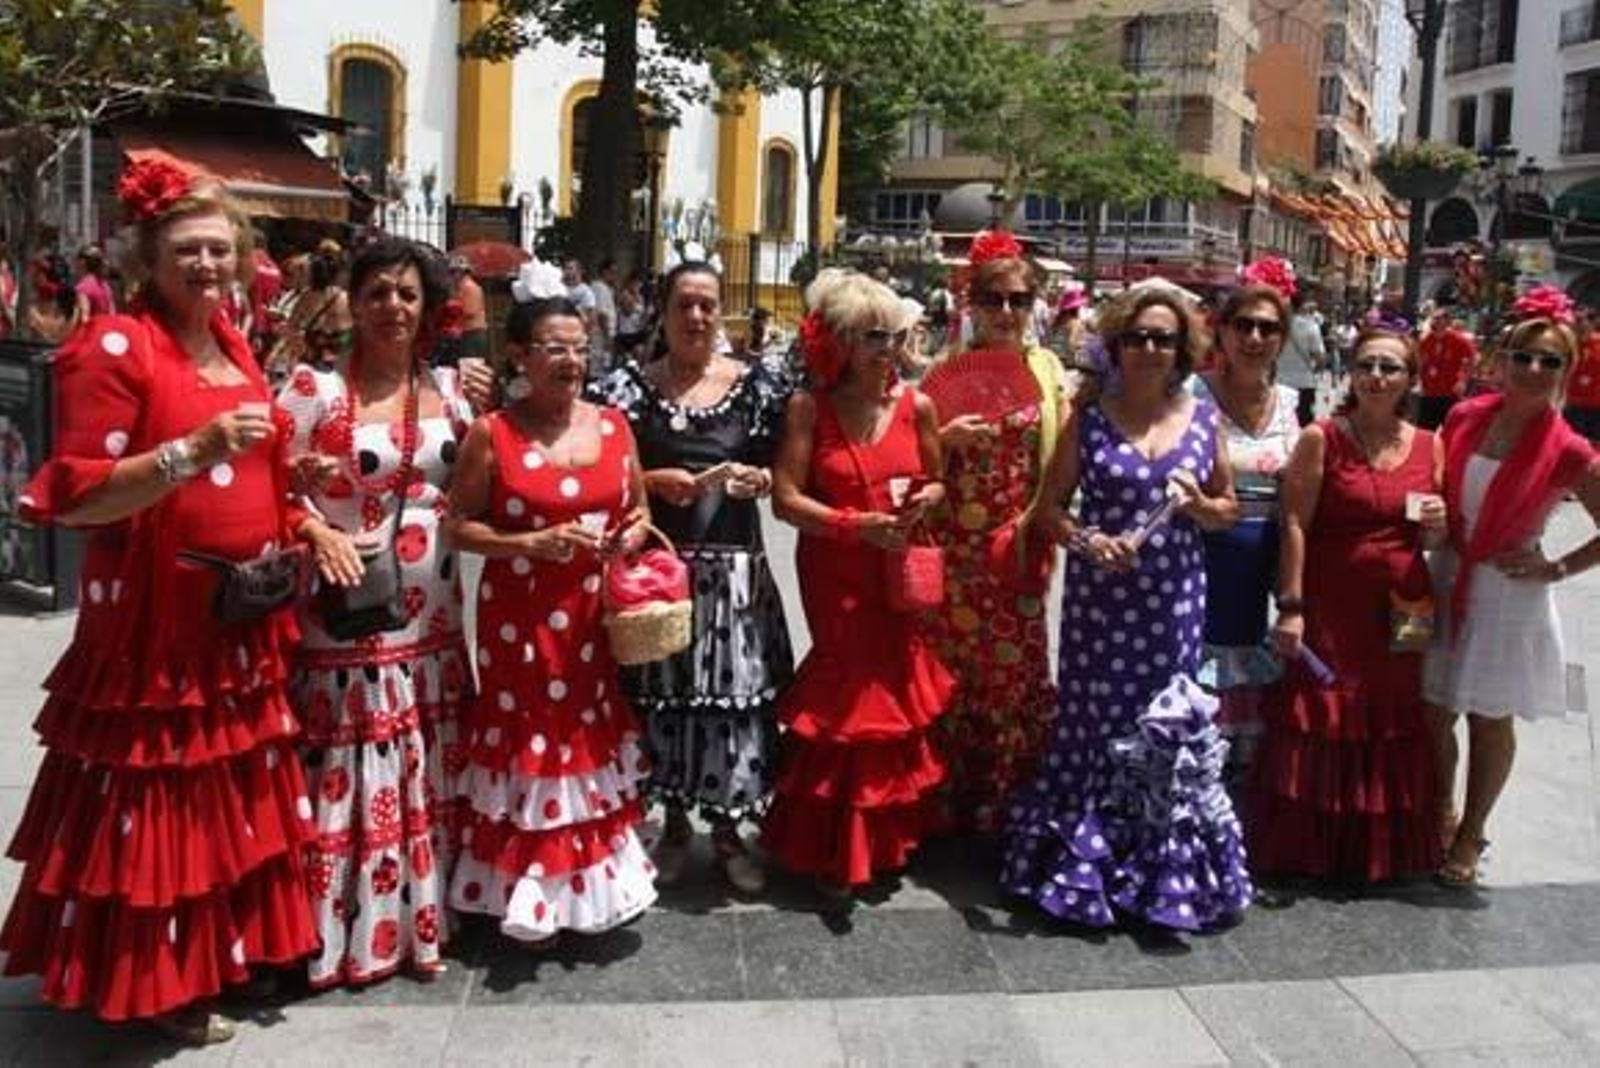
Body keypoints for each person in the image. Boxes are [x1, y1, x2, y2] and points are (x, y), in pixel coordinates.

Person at [1, 159, 317, 1043]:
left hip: (237, 622)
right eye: (188, 250)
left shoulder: (236, 344)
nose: (208, 264)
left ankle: (219, 958)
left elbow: (259, 470)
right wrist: (192, 450)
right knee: (159, 807)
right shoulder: (116, 347)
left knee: (221, 803)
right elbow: (80, 498)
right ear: (147, 257)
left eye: (220, 248)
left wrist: (300, 514)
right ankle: (154, 984)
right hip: (155, 631)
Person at [1005, 288, 1251, 933]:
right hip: (1100, 608)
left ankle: (1160, 874)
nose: (1149, 349)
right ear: (1115, 346)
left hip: (1173, 604)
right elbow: (1048, 511)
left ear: (1182, 351)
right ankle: (1087, 863)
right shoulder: (1088, 420)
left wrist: (1200, 507)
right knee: (1094, 723)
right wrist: (1089, 541)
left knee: (1160, 725)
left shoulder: (1203, 420)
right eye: (1137, 337)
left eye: (1163, 339)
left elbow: (1229, 509)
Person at [277, 238, 473, 988]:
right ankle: (345, 931)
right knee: (354, 763)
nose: (393, 306)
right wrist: (313, 526)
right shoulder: (316, 390)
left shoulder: (451, 388)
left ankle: (427, 915)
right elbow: (268, 484)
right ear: (353, 304)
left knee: (426, 757)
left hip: (435, 621)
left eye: (407, 294)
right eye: (378, 293)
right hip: (351, 617)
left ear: (428, 307)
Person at [446, 279, 658, 946]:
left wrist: (629, 537)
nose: (572, 361)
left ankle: (588, 885)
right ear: (519, 356)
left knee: (584, 733)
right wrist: (527, 545)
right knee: (530, 735)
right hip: (520, 620)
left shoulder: (615, 425)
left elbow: (639, 509)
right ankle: (525, 888)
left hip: (594, 617)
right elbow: (457, 525)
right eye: (554, 348)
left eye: (580, 348)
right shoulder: (492, 433)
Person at [590, 262, 794, 893]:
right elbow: (603, 472)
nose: (697, 317)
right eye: (685, 304)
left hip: (735, 577)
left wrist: (760, 478)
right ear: (664, 310)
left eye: (708, 304)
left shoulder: (756, 387)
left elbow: (782, 470)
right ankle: (676, 827)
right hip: (660, 579)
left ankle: (728, 833)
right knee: (663, 701)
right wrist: (652, 482)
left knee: (732, 705)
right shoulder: (626, 388)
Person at [765, 270, 953, 898]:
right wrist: (854, 526)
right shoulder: (808, 408)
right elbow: (785, 499)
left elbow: (938, 480)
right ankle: (835, 848)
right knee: (847, 699)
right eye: (873, 337)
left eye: (893, 335)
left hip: (895, 573)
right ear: (840, 343)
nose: (887, 349)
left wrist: (925, 499)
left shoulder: (916, 406)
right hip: (836, 574)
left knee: (893, 691)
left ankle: (885, 839)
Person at [1248, 329, 1447, 886]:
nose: (1377, 377)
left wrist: (1438, 525)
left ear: (1410, 380)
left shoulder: (1430, 444)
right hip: (1332, 605)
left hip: (1404, 607)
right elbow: (1294, 523)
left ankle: (1374, 853)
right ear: (1351, 373)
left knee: (1391, 719)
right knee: (1323, 711)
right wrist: (1292, 605)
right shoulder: (1323, 438)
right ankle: (1310, 850)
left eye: (1390, 367)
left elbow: (1432, 538)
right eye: (1367, 365)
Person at [1424, 304, 1600, 889]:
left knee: (1489, 718)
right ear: (1501, 360)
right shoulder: (1463, 417)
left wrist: (1556, 567)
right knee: (1432, 711)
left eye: (1550, 360)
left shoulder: (1571, 449)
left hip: (1506, 595)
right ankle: (1440, 810)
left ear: (1567, 370)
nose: (1533, 369)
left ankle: (1472, 833)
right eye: (1523, 356)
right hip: (1447, 573)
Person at [917, 229, 1065, 835]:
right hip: (955, 550)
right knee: (951, 671)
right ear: (971, 304)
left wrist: (1045, 521)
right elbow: (909, 460)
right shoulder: (943, 371)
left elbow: (1062, 463)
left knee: (1013, 674)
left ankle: (1003, 804)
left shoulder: (1049, 372)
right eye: (993, 299)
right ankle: (947, 800)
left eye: (1018, 300)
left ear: (1034, 306)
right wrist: (943, 439)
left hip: (1017, 546)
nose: (1006, 312)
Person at [1191, 283, 1299, 784]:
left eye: (1268, 328)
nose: (1255, 338)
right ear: (1222, 331)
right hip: (1199, 554)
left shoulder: (1289, 404)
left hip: (1260, 565)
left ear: (1282, 338)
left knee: (1247, 663)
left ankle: (1239, 772)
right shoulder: (1190, 394)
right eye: (1243, 325)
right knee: (1198, 664)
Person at [1417, 306, 1476, 431]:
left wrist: (1463, 381)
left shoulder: (1460, 340)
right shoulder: (1426, 340)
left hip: (1450, 394)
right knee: (1424, 431)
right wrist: (1419, 381)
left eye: (1440, 318)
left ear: (1447, 321)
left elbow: (1471, 361)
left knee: (1450, 431)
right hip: (1429, 393)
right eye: (1434, 318)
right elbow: (1420, 362)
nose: (1436, 321)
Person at [1279, 292, 1326, 426]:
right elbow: (1320, 356)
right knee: (1304, 423)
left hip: (1281, 381)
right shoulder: (1311, 326)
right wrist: (1317, 369)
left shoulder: (1280, 326)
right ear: (1303, 306)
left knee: (1282, 422)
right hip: (1305, 381)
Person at [1564, 308, 1600, 442]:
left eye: (1579, 320)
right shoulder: (1567, 345)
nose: (1575, 324)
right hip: (1572, 407)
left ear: (1593, 323)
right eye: (1573, 320)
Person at [72, 245, 117, 326]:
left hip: (91, 331)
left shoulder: (83, 287)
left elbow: (84, 318)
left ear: (83, 263)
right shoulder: (106, 286)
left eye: (77, 260)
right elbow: (112, 314)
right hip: (106, 329)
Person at [590, 258, 618, 375]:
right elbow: (602, 315)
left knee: (605, 367)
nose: (615, 275)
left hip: (605, 335)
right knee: (599, 370)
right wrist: (608, 338)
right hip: (601, 336)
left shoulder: (606, 288)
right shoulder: (599, 287)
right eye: (612, 272)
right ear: (604, 272)